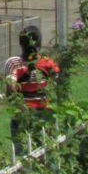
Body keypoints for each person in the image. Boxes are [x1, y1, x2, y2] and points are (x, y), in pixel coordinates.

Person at [5, 25, 60, 155]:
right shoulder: (48, 64)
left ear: (20, 43)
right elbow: (55, 87)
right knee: (45, 151)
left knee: (22, 155)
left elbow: (11, 90)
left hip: (22, 115)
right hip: (44, 114)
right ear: (40, 42)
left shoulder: (14, 63)